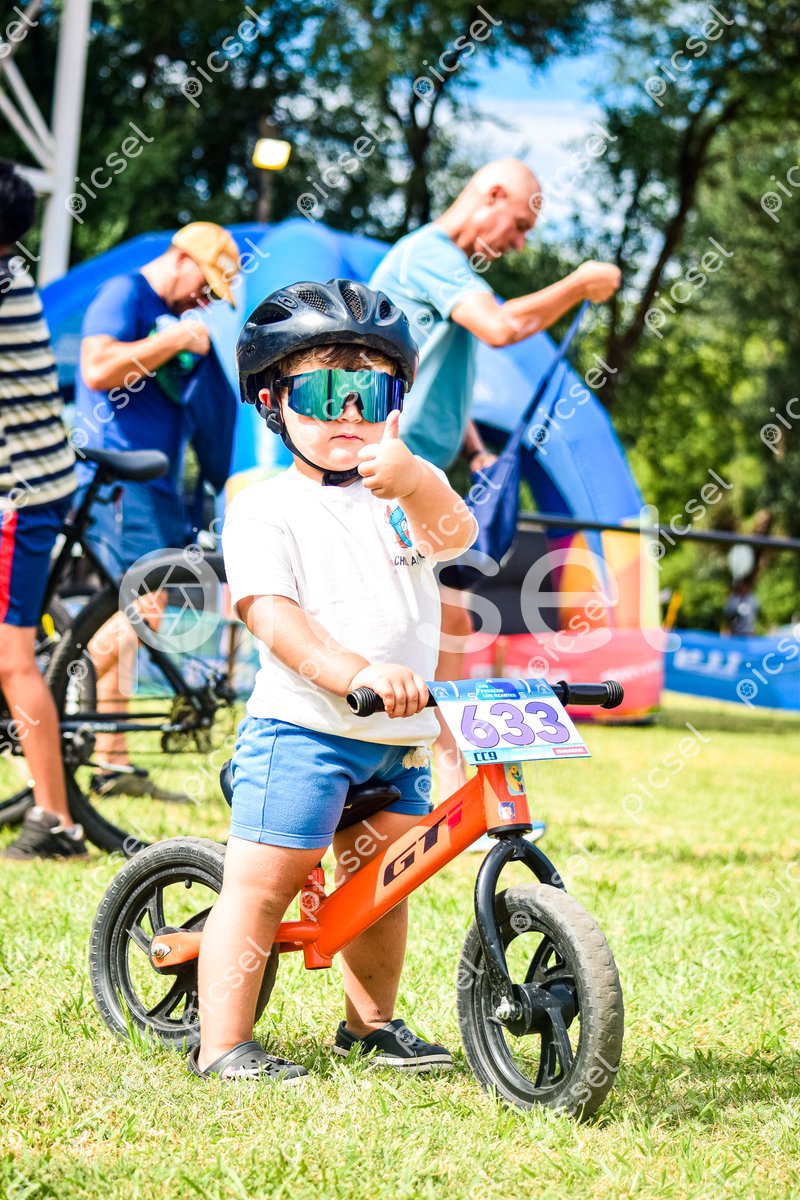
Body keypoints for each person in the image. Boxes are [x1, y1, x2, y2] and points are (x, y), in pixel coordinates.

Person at [191, 278, 477, 1081]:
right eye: (323, 392)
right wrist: (355, 672)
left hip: (395, 739)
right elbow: (273, 616)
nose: (348, 412)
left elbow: (457, 535)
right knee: (262, 886)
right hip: (302, 733)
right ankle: (223, 1045)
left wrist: (416, 480)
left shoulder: (398, 494)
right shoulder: (266, 509)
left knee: (382, 887)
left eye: (370, 393)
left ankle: (370, 1027)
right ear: (273, 402)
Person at [370, 158, 622, 796]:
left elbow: (434, 376)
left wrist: (476, 449)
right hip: (392, 475)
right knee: (433, 624)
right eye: (520, 225)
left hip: (420, 473)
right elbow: (502, 327)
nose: (519, 243)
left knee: (450, 623)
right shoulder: (430, 254)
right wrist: (578, 284)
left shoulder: (437, 266)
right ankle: (442, 780)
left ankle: (448, 780)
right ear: (494, 193)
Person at [74, 222, 240, 799]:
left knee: (127, 611)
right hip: (121, 482)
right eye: (206, 287)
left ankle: (111, 763)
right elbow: (97, 369)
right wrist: (176, 341)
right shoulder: (125, 292)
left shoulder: (162, 310)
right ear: (183, 257)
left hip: (152, 484)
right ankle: (51, 694)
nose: (205, 301)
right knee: (142, 606)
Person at [0, 160, 86, 861]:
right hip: (36, 482)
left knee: (13, 659)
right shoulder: (14, 275)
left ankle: (56, 820)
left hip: (20, 496)